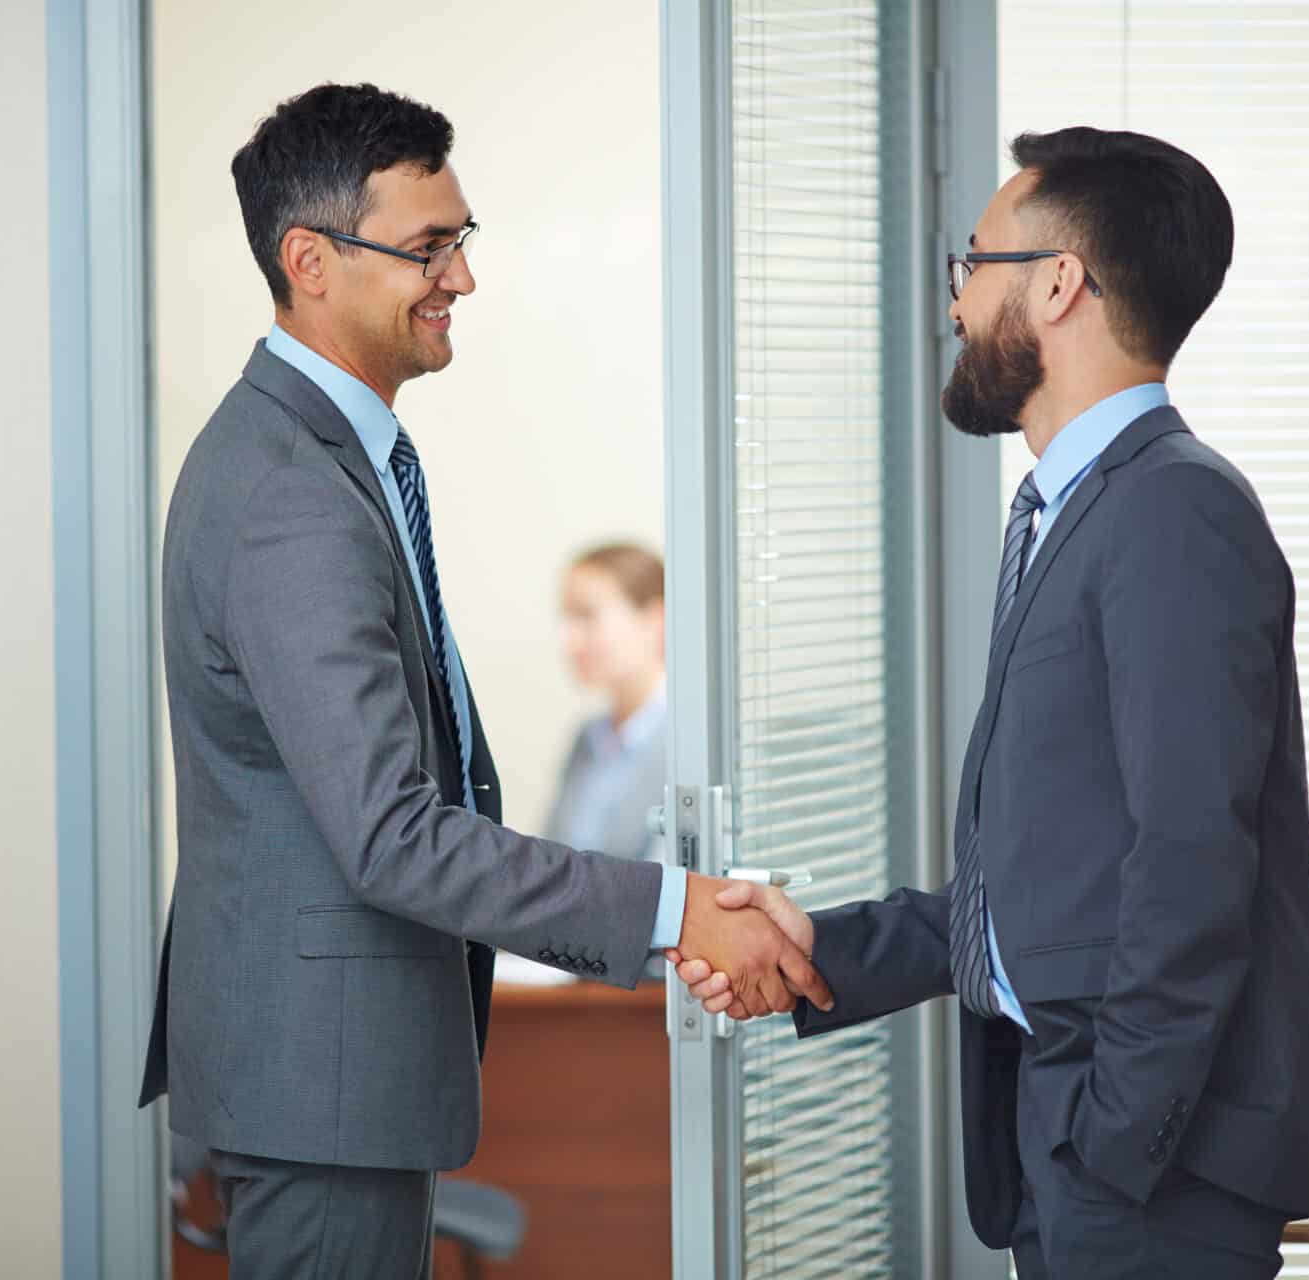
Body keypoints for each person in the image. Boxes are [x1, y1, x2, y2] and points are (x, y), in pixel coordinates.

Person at [137, 82, 829, 1278]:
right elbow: (394, 832)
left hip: (329, 1083)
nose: (460, 277)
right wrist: (675, 911)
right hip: (318, 1091)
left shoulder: (329, 458)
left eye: (462, 242)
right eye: (429, 247)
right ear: (310, 259)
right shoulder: (292, 493)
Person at [677, 127, 1309, 1277]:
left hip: (1144, 1174)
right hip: (1076, 1149)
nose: (954, 303)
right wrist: (820, 946)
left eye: (970, 266)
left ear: (1055, 282)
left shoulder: (1170, 512)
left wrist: (1114, 1140)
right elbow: (1055, 881)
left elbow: (1192, 863)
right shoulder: (1070, 514)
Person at [542, 542, 668, 862]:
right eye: (567, 618)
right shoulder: (587, 739)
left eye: (587, 616)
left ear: (656, 619)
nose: (568, 641)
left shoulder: (689, 746)